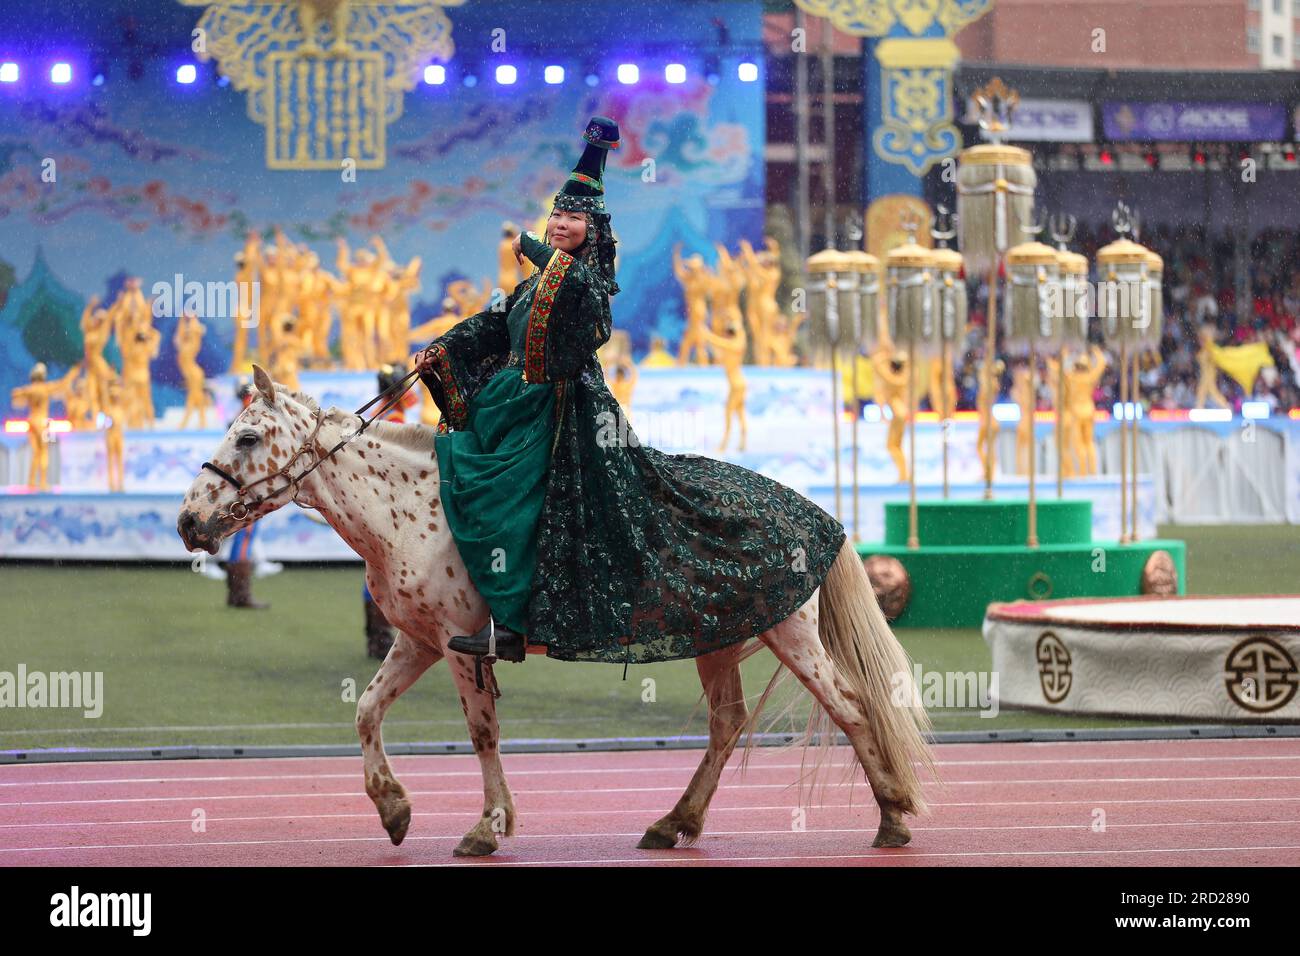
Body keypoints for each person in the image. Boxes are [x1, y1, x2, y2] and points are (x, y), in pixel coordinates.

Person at [414, 116, 845, 667]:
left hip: (562, 415)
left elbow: (586, 315)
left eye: (572, 217)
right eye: (557, 215)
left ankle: (525, 623)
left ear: (591, 230)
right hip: (510, 405)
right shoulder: (530, 285)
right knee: (485, 495)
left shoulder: (589, 283)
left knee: (525, 508)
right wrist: (443, 347)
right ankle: (495, 614)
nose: (561, 224)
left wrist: (538, 251)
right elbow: (493, 323)